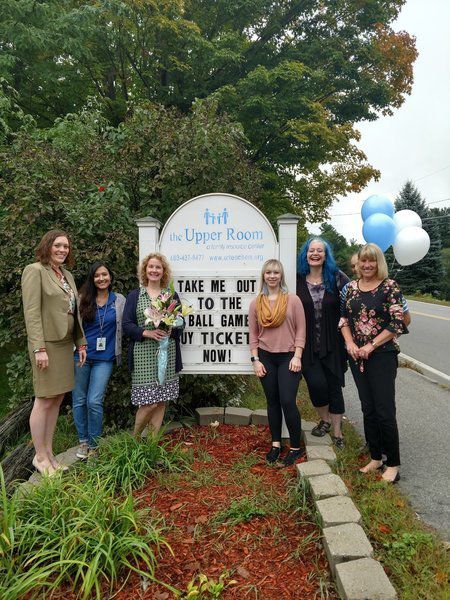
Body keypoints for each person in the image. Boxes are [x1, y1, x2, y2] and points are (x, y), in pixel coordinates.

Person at [340, 243, 408, 483]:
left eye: (372, 261)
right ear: (358, 263)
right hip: (357, 356)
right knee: (367, 408)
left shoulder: (390, 287)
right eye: (363, 261)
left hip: (382, 355)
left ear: (379, 263)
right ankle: (376, 457)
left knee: (384, 410)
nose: (367, 265)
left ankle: (393, 464)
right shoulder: (350, 288)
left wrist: (371, 345)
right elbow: (344, 319)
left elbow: (398, 322)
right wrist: (350, 344)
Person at [21, 230, 87, 476]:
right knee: (44, 399)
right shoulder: (35, 271)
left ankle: (49, 454)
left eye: (66, 247)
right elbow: (32, 313)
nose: (62, 250)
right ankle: (39, 456)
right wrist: (39, 348)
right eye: (58, 245)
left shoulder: (66, 275)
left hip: (64, 344)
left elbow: (74, 312)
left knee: (57, 399)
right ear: (47, 245)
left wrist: (81, 342)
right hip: (46, 345)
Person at [249, 259, 306, 467]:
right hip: (265, 358)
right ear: (263, 276)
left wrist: (297, 356)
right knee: (272, 401)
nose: (272, 276)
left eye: (276, 272)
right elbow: (253, 335)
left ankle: (295, 447)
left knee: (287, 401)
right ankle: (275, 444)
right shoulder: (256, 303)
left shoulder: (293, 300)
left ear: (281, 276)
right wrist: (255, 360)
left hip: (289, 357)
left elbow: (301, 330)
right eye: (268, 272)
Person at [296, 238, 350, 448]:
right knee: (316, 385)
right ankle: (324, 419)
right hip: (307, 343)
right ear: (305, 255)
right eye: (312, 250)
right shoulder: (298, 279)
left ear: (326, 255)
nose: (315, 253)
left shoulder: (337, 278)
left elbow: (352, 304)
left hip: (333, 343)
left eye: (320, 250)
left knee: (334, 387)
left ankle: (337, 433)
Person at [123, 253, 183, 438]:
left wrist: (172, 328)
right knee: (149, 403)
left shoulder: (171, 295)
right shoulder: (135, 295)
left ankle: (151, 446)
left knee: (161, 401)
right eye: (151, 267)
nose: (154, 270)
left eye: (158, 267)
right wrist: (146, 332)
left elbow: (181, 322)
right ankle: (134, 441)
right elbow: (126, 325)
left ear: (163, 271)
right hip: (143, 355)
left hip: (167, 353)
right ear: (145, 270)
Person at [72, 262, 125, 459]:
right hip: (81, 356)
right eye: (97, 275)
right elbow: (71, 326)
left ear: (110, 277)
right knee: (79, 400)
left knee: (94, 401)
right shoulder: (81, 299)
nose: (101, 278)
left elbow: (129, 322)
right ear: (92, 279)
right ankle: (83, 442)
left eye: (105, 274)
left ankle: (94, 445)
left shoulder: (119, 301)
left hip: (105, 358)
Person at [341, 251, 411, 327]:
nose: (356, 268)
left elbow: (405, 319)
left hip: (382, 338)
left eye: (357, 264)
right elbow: (343, 317)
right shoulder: (348, 288)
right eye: (353, 266)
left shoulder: (390, 288)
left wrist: (391, 337)